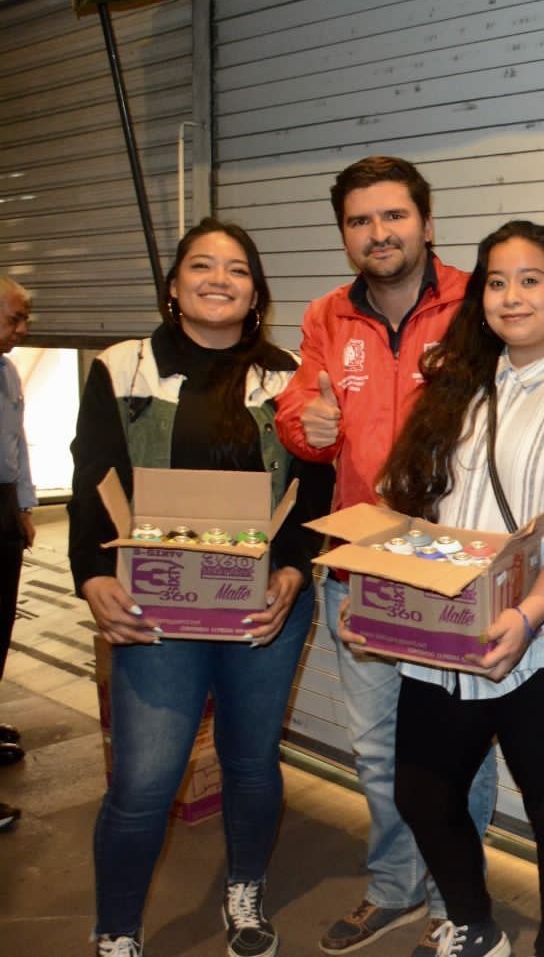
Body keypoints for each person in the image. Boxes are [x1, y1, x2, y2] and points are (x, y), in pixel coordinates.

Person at [335, 220, 544, 957]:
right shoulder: (457, 385)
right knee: (421, 792)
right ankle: (473, 919)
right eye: (496, 281)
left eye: (531, 280)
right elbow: (411, 510)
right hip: (444, 637)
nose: (512, 296)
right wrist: (380, 605)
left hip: (539, 641)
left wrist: (524, 616)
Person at [68, 218, 334, 957]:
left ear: (257, 293)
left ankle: (244, 889)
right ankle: (116, 927)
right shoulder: (123, 367)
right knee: (145, 782)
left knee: (252, 762)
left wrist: (292, 567)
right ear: (174, 285)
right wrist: (91, 573)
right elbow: (93, 475)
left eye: (238, 269)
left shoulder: (288, 378)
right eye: (202, 265)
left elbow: (314, 483)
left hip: (263, 604)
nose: (220, 278)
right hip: (155, 603)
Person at [274, 156, 498, 957]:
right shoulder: (327, 315)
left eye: (393, 216)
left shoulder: (480, 301)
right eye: (361, 221)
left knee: (461, 753)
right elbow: (300, 410)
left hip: (452, 569)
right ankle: (396, 888)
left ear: (426, 223)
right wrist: (308, 423)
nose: (379, 233)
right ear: (345, 235)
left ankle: (458, 900)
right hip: (362, 564)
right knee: (376, 748)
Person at [0, 276, 35, 832]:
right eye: (15, 317)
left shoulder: (6, 371)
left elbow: (16, 442)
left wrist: (25, 504)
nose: (24, 328)